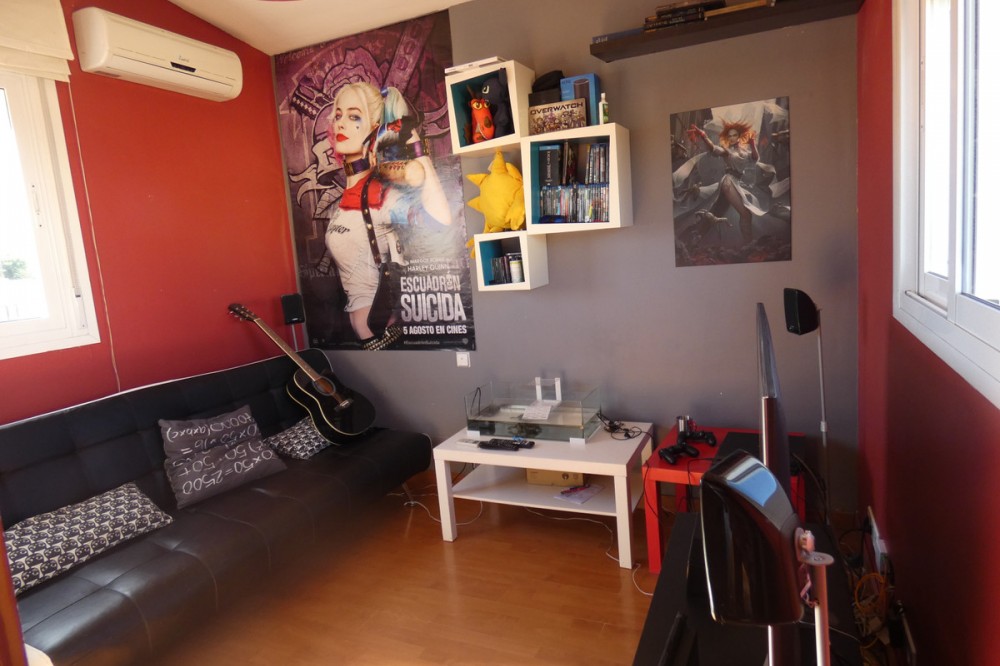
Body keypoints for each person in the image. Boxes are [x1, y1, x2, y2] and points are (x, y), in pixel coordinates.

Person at [324, 82, 451, 349]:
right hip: (364, 341)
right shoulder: (346, 198)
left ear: (375, 129)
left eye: (354, 116)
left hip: (381, 337)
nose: (341, 123)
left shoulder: (379, 194)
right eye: (338, 115)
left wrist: (415, 147)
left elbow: (440, 221)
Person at [688, 121, 766, 245]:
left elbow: (755, 158)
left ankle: (696, 238)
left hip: (735, 183)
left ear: (739, 136)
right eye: (729, 136)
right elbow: (713, 148)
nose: (732, 138)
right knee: (746, 214)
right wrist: (703, 135)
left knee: (716, 212)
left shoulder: (745, 153)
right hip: (728, 182)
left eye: (734, 135)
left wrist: (752, 143)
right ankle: (748, 243)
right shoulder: (727, 151)